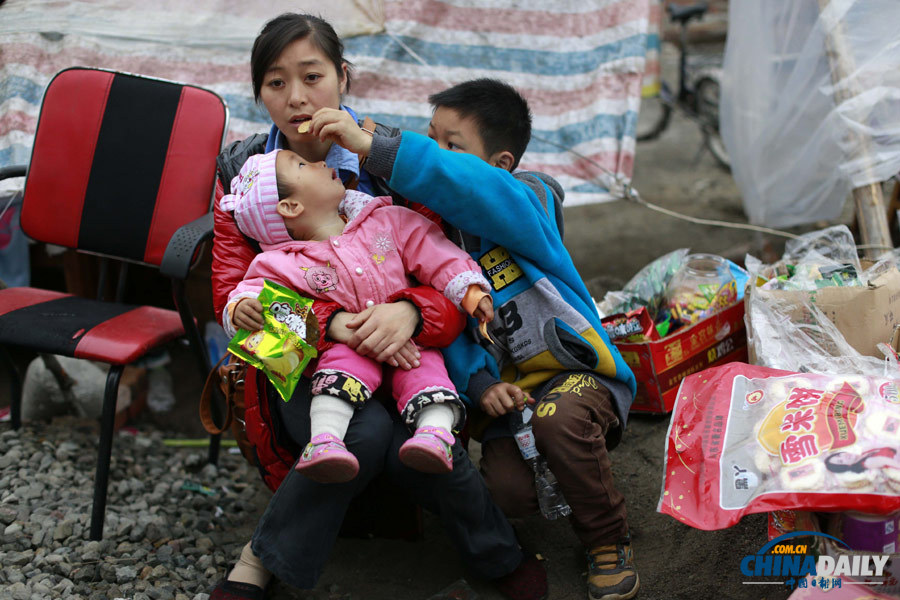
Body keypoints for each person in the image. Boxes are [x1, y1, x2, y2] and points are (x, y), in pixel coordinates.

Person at [210, 13, 547, 600]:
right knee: (362, 434)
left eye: (312, 76)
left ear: (343, 76)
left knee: (411, 438)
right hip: (301, 365)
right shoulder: (244, 177)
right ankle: (263, 560)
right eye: (275, 83)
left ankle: (493, 553)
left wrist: (412, 312)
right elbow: (235, 303)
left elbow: (442, 261)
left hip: (414, 350)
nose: (296, 99)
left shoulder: (389, 161)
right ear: (259, 90)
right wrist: (329, 322)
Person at [306, 78, 641, 600]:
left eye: (453, 144)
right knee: (509, 493)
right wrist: (480, 382)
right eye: (431, 136)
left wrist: (383, 148)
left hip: (576, 374)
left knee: (561, 425)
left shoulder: (528, 201)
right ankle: (559, 482)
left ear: (501, 163)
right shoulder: (425, 230)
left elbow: (473, 187)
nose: (438, 153)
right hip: (507, 394)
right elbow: (443, 321)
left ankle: (607, 539)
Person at [221, 148, 494, 481]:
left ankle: (434, 437)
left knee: (428, 374)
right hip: (348, 349)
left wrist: (469, 288)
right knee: (334, 379)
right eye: (303, 164)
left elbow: (435, 251)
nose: (322, 163)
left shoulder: (387, 220)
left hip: (409, 342)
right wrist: (242, 307)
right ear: (290, 207)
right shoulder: (282, 261)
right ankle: (325, 440)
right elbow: (254, 293)